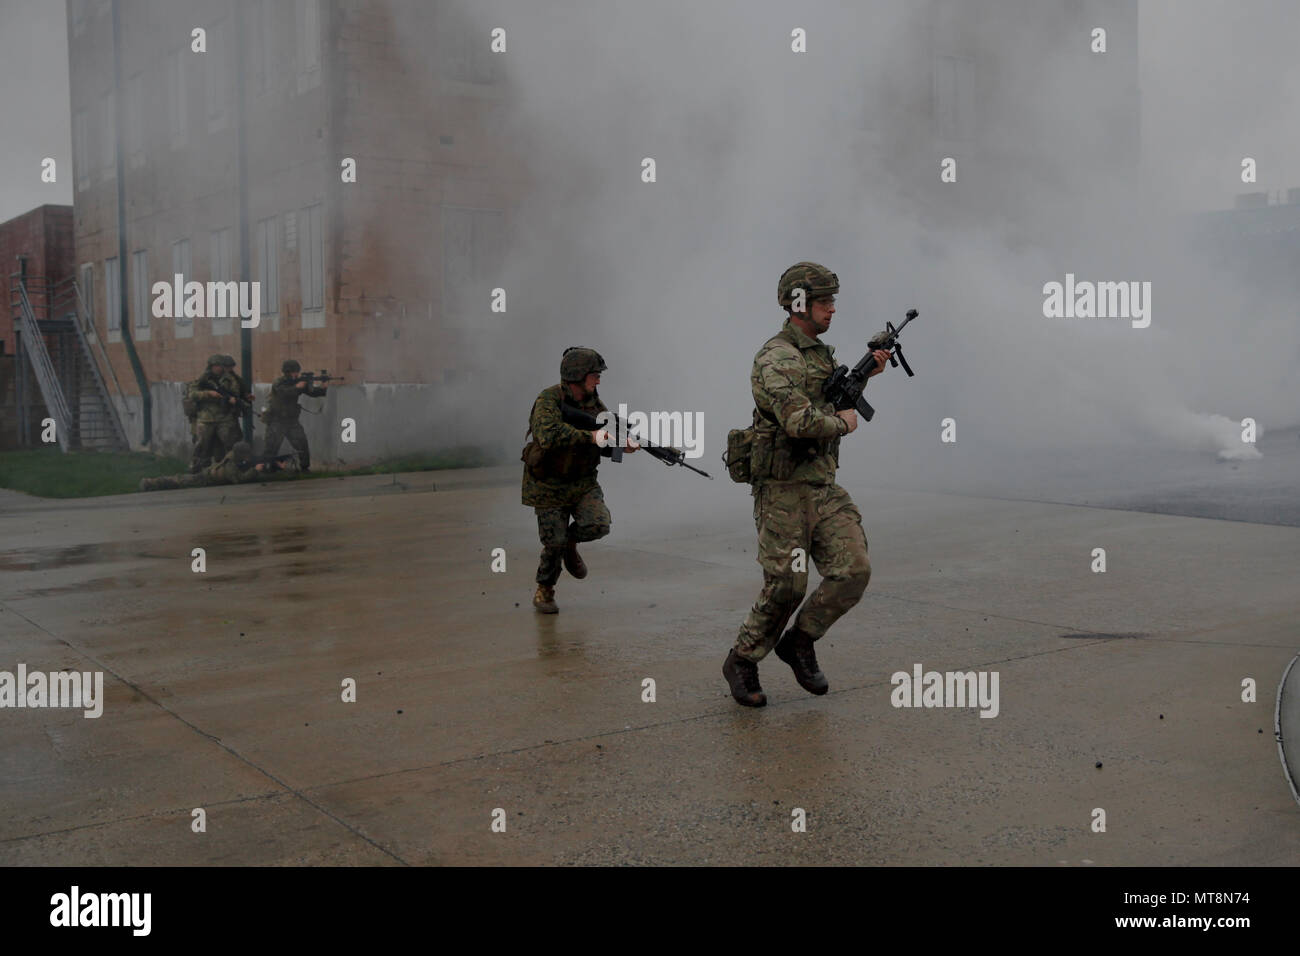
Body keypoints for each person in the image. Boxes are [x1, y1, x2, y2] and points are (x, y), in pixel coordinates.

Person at [722, 262, 891, 707]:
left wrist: (863, 376)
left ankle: (799, 641)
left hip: (821, 486)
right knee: (787, 587)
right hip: (783, 491)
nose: (832, 309)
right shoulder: (777, 357)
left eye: (832, 300)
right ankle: (742, 659)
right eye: (824, 302)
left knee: (853, 570)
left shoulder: (817, 353)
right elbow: (798, 421)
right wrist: (843, 423)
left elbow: (822, 392)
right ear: (799, 303)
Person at [521, 347, 638, 614]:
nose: (598, 381)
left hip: (582, 483)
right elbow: (550, 435)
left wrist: (623, 444)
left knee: (598, 524)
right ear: (576, 376)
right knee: (553, 543)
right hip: (548, 486)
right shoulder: (548, 400)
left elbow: (606, 439)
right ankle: (545, 590)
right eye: (594, 375)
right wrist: (592, 437)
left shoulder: (594, 404)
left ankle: (570, 544)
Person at [139, 441, 297, 491]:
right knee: (179, 481)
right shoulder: (231, 465)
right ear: (241, 454)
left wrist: (276, 465)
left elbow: (256, 463)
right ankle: (150, 483)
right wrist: (255, 471)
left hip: (208, 476)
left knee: (179, 480)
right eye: (247, 455)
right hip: (204, 479)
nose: (250, 457)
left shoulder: (238, 459)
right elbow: (239, 480)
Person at [262, 359, 327, 472]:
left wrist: (323, 387)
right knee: (271, 447)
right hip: (276, 421)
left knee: (302, 443)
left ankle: (305, 468)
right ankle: (267, 469)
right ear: (287, 372)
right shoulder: (279, 382)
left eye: (297, 372)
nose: (296, 374)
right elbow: (284, 393)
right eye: (294, 372)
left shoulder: (297, 382)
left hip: (292, 421)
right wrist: (297, 387)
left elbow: (313, 392)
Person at [185, 354, 243, 474]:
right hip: (206, 417)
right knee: (201, 446)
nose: (218, 368)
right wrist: (208, 394)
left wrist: (232, 399)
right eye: (216, 366)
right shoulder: (203, 379)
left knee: (230, 443)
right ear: (211, 366)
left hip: (224, 417)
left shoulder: (229, 379)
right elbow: (192, 394)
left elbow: (236, 392)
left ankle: (232, 468)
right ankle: (196, 469)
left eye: (220, 365)